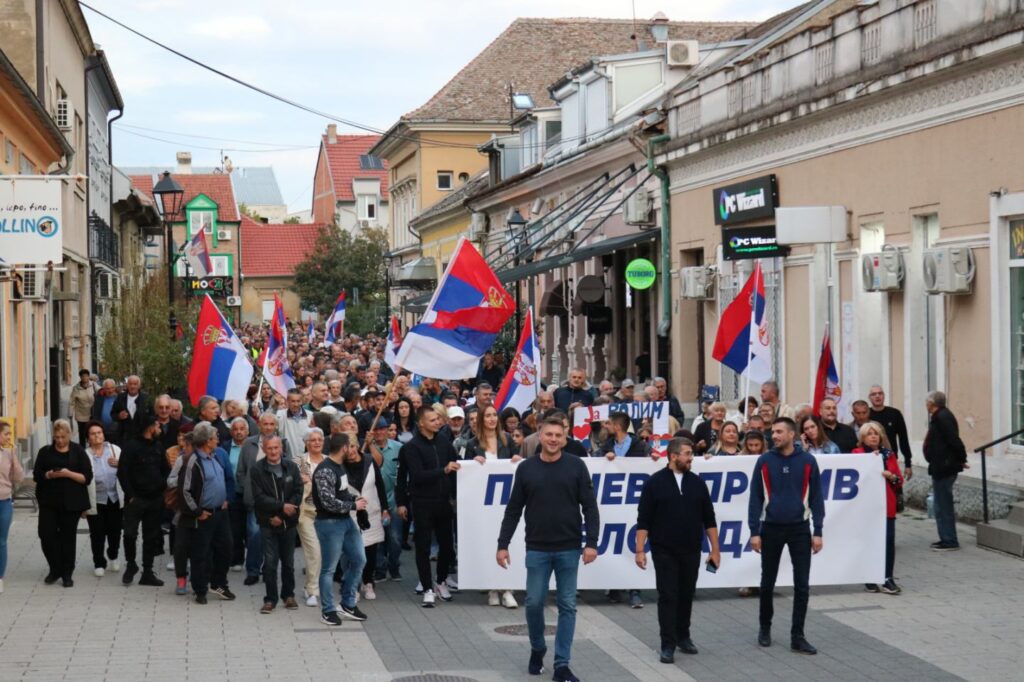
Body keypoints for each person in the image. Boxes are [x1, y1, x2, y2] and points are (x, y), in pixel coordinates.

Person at [497, 416, 600, 682]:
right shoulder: (526, 469)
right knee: (533, 603)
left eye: (558, 435)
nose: (553, 439)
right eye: (549, 434)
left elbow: (590, 506)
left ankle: (562, 664)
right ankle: (538, 647)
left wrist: (591, 543)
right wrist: (502, 544)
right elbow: (513, 509)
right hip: (537, 548)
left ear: (565, 438)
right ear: (539, 436)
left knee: (568, 605)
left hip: (569, 548)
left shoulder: (576, 466)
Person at [635, 437, 720, 664]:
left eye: (691, 453)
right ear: (673, 456)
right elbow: (644, 520)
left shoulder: (697, 483)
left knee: (686, 594)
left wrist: (715, 550)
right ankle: (668, 643)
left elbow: (709, 519)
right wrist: (640, 550)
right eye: (687, 454)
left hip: (691, 549)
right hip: (664, 550)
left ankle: (683, 636)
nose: (691, 458)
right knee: (668, 596)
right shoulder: (654, 483)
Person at [748, 417, 825, 655]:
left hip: (799, 529)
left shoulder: (808, 461)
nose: (774, 436)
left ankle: (797, 636)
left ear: (792, 435)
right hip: (771, 528)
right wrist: (754, 531)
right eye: (773, 432)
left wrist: (818, 531)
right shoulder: (764, 461)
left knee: (802, 585)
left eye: (779, 432)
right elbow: (755, 498)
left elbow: (817, 498)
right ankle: (764, 628)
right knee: (767, 583)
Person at [401, 406, 460, 607]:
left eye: (438, 419)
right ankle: (427, 588)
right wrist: (443, 470)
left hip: (444, 502)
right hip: (422, 503)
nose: (437, 422)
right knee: (423, 547)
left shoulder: (444, 442)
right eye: (432, 420)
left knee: (447, 546)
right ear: (421, 423)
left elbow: (457, 464)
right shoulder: (412, 447)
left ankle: (441, 581)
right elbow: (416, 476)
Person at [464, 404, 520, 609]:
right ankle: (492, 588)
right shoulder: (472, 444)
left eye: (494, 415)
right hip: (483, 504)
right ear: (481, 419)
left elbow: (517, 465)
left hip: (506, 502)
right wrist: (472, 462)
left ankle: (508, 589)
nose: (491, 419)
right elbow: (465, 472)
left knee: (507, 542)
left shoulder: (508, 440)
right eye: (487, 415)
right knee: (488, 542)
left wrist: (516, 459)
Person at [312, 433, 369, 626]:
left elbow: (341, 493)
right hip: (329, 524)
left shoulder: (339, 467)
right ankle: (328, 610)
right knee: (329, 568)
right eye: (350, 446)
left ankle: (348, 604)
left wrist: (354, 499)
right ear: (344, 447)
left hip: (345, 521)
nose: (353, 450)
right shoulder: (325, 470)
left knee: (359, 559)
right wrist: (353, 506)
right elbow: (327, 502)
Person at [33, 419, 92, 587]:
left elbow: (87, 478)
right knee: (46, 534)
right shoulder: (45, 452)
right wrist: (48, 475)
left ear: (69, 434)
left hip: (71, 503)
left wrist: (68, 474)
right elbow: (37, 475)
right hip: (48, 502)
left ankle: (67, 573)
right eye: (56, 437)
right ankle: (55, 568)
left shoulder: (78, 451)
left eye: (62, 437)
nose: (59, 440)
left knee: (68, 538)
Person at [181, 422, 235, 604]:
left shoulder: (216, 456)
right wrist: (197, 512)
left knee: (226, 549)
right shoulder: (193, 461)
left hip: (221, 513)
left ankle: (219, 584)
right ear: (206, 441)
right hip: (204, 515)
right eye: (215, 437)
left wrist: (226, 499)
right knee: (201, 553)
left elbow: (226, 479)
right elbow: (185, 491)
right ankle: (200, 589)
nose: (218, 440)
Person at [237, 412, 293, 586]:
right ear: (259, 425)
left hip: (276, 500)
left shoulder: (283, 443)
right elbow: (241, 471)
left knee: (273, 537)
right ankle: (253, 571)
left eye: (271, 424)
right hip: (254, 500)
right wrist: (248, 488)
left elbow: (289, 469)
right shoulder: (249, 443)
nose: (268, 427)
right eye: (265, 424)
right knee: (254, 535)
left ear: (276, 426)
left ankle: (268, 570)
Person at [251, 435, 303, 613]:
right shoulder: (257, 469)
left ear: (281, 448)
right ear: (264, 449)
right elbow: (259, 498)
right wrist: (280, 508)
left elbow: (298, 492)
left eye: (276, 447)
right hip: (268, 523)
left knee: (288, 562)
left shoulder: (292, 467)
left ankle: (288, 595)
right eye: (269, 448)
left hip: (288, 522)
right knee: (270, 563)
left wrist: (282, 514)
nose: (273, 451)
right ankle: (270, 599)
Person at [118, 416, 169, 587]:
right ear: (149, 427)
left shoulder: (158, 446)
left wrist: (161, 487)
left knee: (151, 537)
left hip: (155, 500)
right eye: (157, 425)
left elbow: (166, 470)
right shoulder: (131, 447)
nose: (159, 428)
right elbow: (122, 473)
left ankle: (147, 572)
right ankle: (131, 564)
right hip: (136, 500)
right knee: (129, 534)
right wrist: (131, 495)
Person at [852, 422, 903, 594]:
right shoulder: (857, 453)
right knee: (869, 541)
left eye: (876, 433)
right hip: (866, 506)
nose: (873, 436)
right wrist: (870, 460)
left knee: (888, 541)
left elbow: (899, 481)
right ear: (863, 438)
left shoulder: (888, 454)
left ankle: (887, 577)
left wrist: (891, 476)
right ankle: (869, 577)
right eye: (869, 434)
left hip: (886, 505)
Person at [342, 432, 388, 602]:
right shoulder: (339, 466)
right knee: (352, 552)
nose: (350, 451)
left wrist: (385, 509)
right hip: (350, 514)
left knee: (371, 550)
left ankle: (368, 582)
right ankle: (352, 585)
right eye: (346, 448)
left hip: (371, 512)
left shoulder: (369, 461)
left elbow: (380, 485)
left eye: (352, 446)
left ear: (357, 445)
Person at [923, 391, 967, 551]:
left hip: (944, 467)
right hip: (940, 466)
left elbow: (954, 440)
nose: (926, 405)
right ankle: (945, 538)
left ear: (932, 404)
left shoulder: (943, 417)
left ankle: (949, 540)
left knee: (943, 505)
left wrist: (962, 458)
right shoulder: (939, 417)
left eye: (927, 402)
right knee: (940, 505)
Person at [83, 421, 123, 577]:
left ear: (104, 434)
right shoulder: (85, 455)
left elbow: (127, 469)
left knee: (115, 532)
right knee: (97, 534)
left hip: (114, 498)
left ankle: (113, 556)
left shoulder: (115, 449)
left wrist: (120, 464)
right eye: (93, 434)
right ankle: (99, 562)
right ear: (88, 437)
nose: (97, 436)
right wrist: (82, 506)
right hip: (95, 500)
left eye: (99, 432)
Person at [366, 418, 403, 582]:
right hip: (373, 499)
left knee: (395, 537)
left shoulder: (399, 448)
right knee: (377, 538)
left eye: (382, 429)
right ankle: (380, 568)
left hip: (393, 498)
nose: (379, 432)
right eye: (376, 429)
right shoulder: (365, 449)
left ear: (387, 430)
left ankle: (394, 566)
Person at [296, 428, 326, 606]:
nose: (317, 442)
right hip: (306, 512)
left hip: (326, 514)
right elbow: (289, 483)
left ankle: (311, 586)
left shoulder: (329, 461)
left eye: (319, 439)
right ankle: (313, 591)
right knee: (314, 551)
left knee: (324, 553)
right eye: (313, 440)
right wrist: (300, 480)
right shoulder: (298, 461)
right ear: (306, 443)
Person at [0, 420, 26, 593]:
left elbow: (19, 478)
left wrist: (15, 457)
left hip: (4, 501)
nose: (9, 437)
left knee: (1, 541)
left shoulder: (8, 453)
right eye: (6, 434)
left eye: (10, 433)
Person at [868, 385, 913, 480]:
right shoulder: (866, 414)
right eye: (874, 394)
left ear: (884, 396)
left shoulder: (895, 414)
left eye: (880, 393)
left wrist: (908, 464)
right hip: (870, 459)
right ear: (869, 398)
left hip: (891, 459)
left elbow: (903, 439)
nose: (877, 396)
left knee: (895, 486)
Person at [225, 418, 250, 573]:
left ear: (247, 431)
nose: (239, 432)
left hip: (251, 493)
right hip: (233, 493)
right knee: (235, 528)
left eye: (242, 429)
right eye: (235, 429)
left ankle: (254, 560)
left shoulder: (253, 446)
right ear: (231, 431)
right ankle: (237, 559)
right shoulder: (225, 447)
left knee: (252, 529)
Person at [277, 388, 312, 455]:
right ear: (287, 401)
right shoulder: (280, 415)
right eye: (293, 401)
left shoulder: (310, 415)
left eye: (298, 401)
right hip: (288, 458)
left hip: (306, 457)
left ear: (301, 401)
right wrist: (273, 407)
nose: (296, 404)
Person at [70, 369, 96, 444]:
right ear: (80, 377)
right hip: (81, 415)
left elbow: (101, 391)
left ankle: (92, 446)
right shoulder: (76, 388)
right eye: (83, 376)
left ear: (88, 376)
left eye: (86, 376)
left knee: (91, 432)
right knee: (82, 433)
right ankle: (82, 448)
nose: (85, 378)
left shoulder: (93, 385)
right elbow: (72, 402)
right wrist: (70, 414)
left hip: (92, 414)